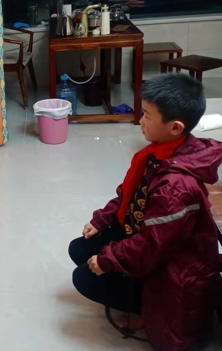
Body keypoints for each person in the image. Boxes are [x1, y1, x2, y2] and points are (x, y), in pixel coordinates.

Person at [68, 73, 222, 351]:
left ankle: (143, 308)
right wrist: (102, 220)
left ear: (175, 127)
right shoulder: (161, 152)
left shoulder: (176, 187)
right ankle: (133, 292)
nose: (140, 121)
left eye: (147, 116)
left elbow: (152, 247)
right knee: (81, 248)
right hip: (151, 239)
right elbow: (129, 193)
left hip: (172, 271)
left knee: (84, 277)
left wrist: (109, 259)